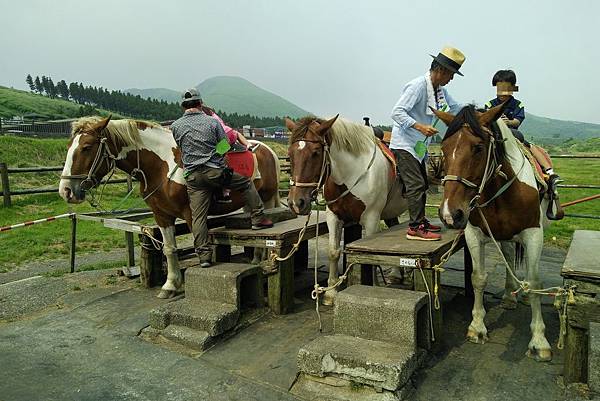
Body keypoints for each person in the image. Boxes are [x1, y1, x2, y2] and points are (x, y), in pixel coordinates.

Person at [171, 88, 273, 268]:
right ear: (200, 104)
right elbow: (225, 146)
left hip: (193, 177)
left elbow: (182, 147)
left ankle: (204, 257)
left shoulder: (176, 126)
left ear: (183, 106)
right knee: (246, 184)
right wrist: (213, 155)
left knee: (199, 217)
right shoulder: (212, 122)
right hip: (214, 172)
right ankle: (258, 218)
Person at [390, 46, 466, 241]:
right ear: (441, 71)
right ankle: (415, 227)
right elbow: (397, 112)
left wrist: (475, 113)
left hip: (418, 145)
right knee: (415, 185)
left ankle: (421, 220)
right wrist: (420, 127)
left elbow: (455, 108)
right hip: (405, 143)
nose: (451, 79)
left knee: (422, 183)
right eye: (451, 74)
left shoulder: (440, 91)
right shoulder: (417, 86)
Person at [485, 70, 562, 219]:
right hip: (496, 134)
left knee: (530, 147)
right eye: (499, 88)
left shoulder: (517, 104)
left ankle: (549, 173)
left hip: (513, 133)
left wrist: (508, 122)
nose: (502, 92)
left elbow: (518, 121)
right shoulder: (490, 104)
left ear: (513, 88)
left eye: (506, 88)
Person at [200, 105, 250, 203]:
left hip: (224, 137)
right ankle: (248, 145)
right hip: (230, 133)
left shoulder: (203, 116)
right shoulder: (212, 114)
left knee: (217, 159)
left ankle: (225, 190)